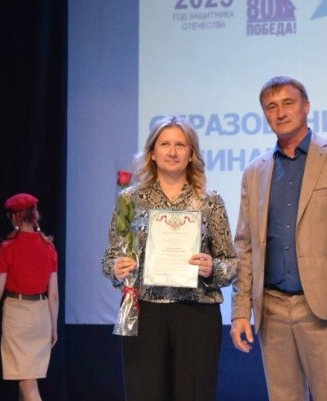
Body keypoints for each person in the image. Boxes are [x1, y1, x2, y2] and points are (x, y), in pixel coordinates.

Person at [230, 76, 327, 401]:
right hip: (271, 310)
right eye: (271, 107)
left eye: (288, 103)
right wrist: (240, 311)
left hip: (326, 311)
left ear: (306, 106)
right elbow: (245, 246)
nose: (280, 112)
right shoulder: (255, 171)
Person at [102, 115, 237, 401]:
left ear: (191, 154)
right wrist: (117, 269)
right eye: (165, 144)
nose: (172, 152)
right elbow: (110, 259)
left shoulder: (210, 200)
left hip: (197, 313)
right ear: (152, 152)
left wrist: (212, 268)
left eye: (180, 145)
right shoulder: (129, 199)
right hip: (145, 312)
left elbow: (230, 264)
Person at [0, 193, 59, 401]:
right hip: (41, 317)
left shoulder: (8, 247)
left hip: (17, 316)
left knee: (27, 384)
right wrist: (53, 327)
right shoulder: (49, 248)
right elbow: (53, 296)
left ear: (14, 217)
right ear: (35, 214)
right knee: (26, 381)